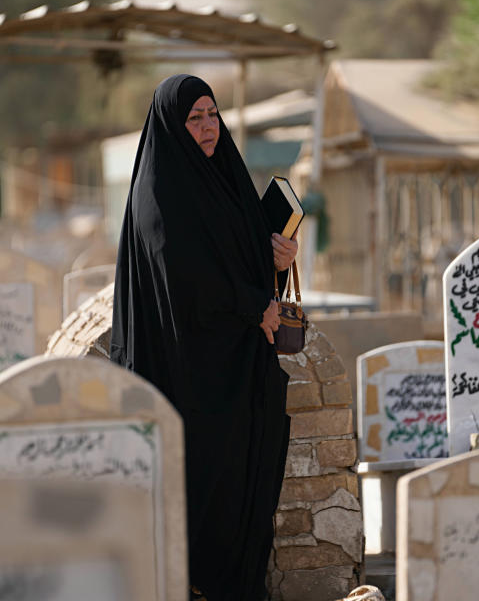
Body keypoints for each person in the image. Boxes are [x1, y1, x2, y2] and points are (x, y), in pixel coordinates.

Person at [110, 75, 299, 601]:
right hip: (187, 373)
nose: (208, 127)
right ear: (173, 124)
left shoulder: (227, 179)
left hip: (237, 367)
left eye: (213, 114)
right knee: (202, 487)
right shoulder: (159, 190)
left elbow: (245, 260)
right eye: (194, 118)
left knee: (241, 481)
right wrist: (250, 304)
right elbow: (184, 275)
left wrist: (277, 259)